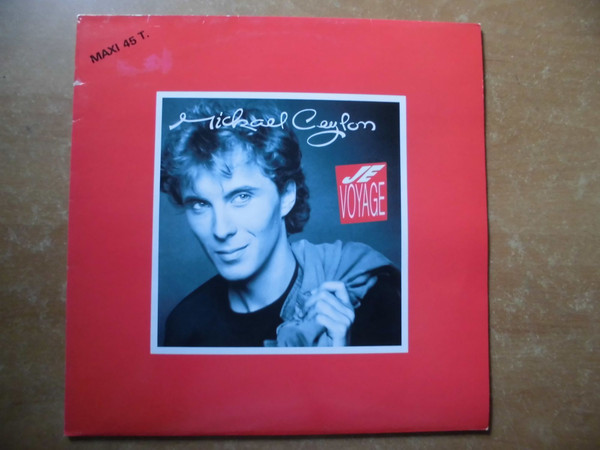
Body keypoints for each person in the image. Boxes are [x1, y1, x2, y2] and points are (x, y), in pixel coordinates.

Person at [160, 101, 401, 347]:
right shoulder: (186, 326)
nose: (221, 230)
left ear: (286, 196)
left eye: (241, 197)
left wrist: (340, 356)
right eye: (200, 204)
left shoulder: (369, 294)